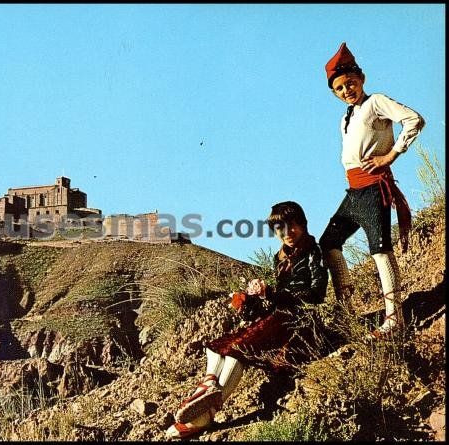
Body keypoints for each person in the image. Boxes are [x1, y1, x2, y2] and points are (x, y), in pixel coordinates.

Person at [166, 201, 328, 439]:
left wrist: (270, 293)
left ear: (302, 224)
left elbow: (317, 294)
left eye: (292, 225)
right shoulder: (280, 257)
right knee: (216, 347)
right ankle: (209, 385)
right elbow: (274, 301)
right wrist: (249, 300)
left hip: (299, 321)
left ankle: (203, 418)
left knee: (237, 350)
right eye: (280, 229)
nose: (287, 233)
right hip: (279, 316)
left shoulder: (315, 251)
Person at [319, 42, 425, 341]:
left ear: (361, 78)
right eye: (339, 88)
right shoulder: (346, 117)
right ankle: (346, 310)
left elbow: (414, 120)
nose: (346, 90)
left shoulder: (375, 102)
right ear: (334, 93)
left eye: (350, 83)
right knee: (329, 241)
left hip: (374, 187)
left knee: (380, 250)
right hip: (353, 192)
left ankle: (395, 319)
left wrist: (391, 155)